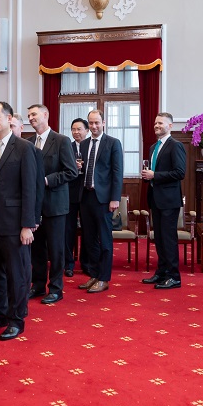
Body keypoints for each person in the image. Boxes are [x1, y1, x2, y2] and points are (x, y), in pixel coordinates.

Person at [0, 102, 38, 340]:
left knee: (17, 272)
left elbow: (30, 190)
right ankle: (0, 313)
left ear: (9, 118)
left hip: (15, 223)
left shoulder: (24, 148)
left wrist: (28, 225)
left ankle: (16, 318)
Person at [27, 104, 78, 305]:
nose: (30, 118)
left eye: (34, 114)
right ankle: (38, 285)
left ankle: (56, 288)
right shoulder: (28, 143)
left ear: (45, 115)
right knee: (36, 249)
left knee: (56, 250)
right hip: (34, 207)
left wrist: (47, 180)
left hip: (55, 205)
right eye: (29, 115)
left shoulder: (61, 141)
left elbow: (71, 172)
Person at [77, 109, 124, 294]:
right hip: (86, 196)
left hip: (104, 199)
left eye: (97, 123)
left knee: (104, 241)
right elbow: (81, 170)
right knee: (89, 241)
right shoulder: (84, 143)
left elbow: (117, 173)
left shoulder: (113, 143)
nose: (94, 126)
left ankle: (104, 278)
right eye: (91, 123)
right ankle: (94, 275)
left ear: (104, 123)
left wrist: (115, 198)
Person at [141, 112, 187, 289]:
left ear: (170, 126)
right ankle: (161, 273)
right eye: (155, 123)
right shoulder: (153, 147)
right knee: (159, 239)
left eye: (160, 123)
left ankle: (174, 276)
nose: (156, 126)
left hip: (169, 200)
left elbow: (180, 173)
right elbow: (153, 172)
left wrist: (155, 175)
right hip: (155, 199)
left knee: (168, 239)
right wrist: (148, 176)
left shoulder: (176, 146)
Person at [65, 118, 88, 277]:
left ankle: (87, 263)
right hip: (70, 193)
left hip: (87, 193)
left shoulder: (91, 146)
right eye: (73, 129)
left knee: (88, 230)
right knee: (68, 230)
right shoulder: (67, 146)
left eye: (79, 129)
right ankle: (68, 264)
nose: (76, 132)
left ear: (86, 130)